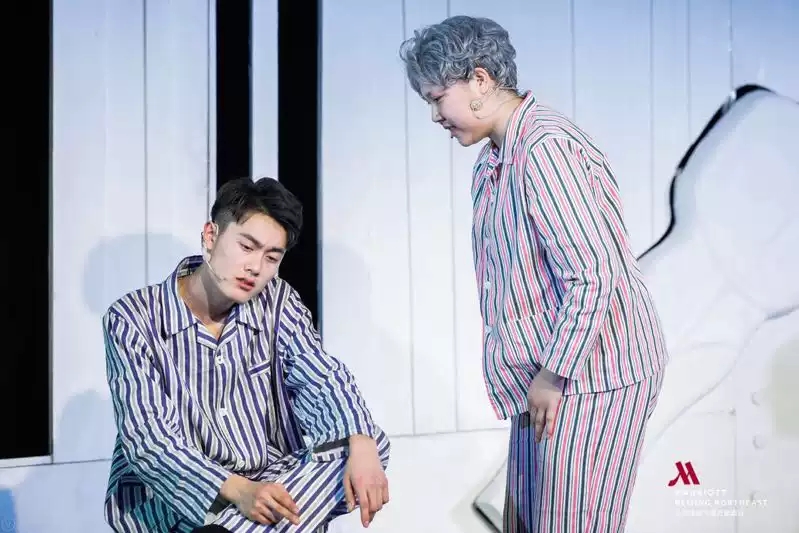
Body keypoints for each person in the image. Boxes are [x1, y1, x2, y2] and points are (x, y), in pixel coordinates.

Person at [399, 15, 669, 532]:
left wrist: (553, 374)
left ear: (480, 80)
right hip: (547, 376)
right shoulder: (494, 160)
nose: (435, 116)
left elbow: (593, 273)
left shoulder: (544, 148)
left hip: (593, 374)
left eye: (437, 98)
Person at [102, 177, 390, 532]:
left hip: (266, 481)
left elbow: (322, 379)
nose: (256, 267)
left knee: (366, 443)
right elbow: (149, 440)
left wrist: (359, 440)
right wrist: (238, 491)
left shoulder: (278, 301)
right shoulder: (132, 317)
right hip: (178, 502)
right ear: (210, 236)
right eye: (247, 247)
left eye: (272, 257)